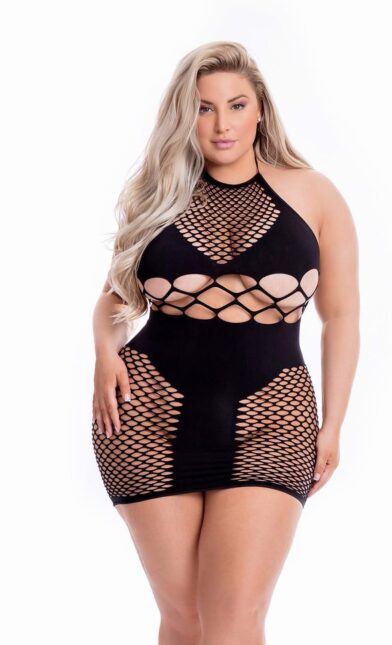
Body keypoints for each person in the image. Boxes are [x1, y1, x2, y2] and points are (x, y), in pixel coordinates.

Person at [91, 40, 360, 645]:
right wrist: (105, 352)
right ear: (184, 116)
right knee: (185, 619)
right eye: (203, 108)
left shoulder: (314, 194)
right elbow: (114, 299)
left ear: (260, 108)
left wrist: (334, 425)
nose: (221, 125)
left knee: (235, 619)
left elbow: (341, 317)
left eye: (236, 105)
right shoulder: (157, 194)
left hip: (274, 415)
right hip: (146, 416)